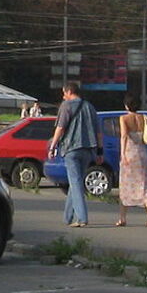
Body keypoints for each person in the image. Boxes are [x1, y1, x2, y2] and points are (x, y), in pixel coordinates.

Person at [48, 80, 101, 227]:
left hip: (71, 148)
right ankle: (67, 217)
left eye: (64, 93)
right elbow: (98, 132)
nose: (63, 96)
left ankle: (82, 218)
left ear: (69, 92)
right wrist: (100, 151)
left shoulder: (66, 106)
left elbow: (60, 128)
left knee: (76, 182)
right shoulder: (89, 107)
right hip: (88, 149)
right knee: (75, 183)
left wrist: (53, 147)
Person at [113, 93, 147, 228]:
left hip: (130, 153)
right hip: (142, 153)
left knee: (125, 185)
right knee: (143, 185)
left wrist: (123, 154)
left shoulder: (124, 118)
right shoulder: (143, 118)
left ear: (126, 105)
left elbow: (124, 136)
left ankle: (122, 218)